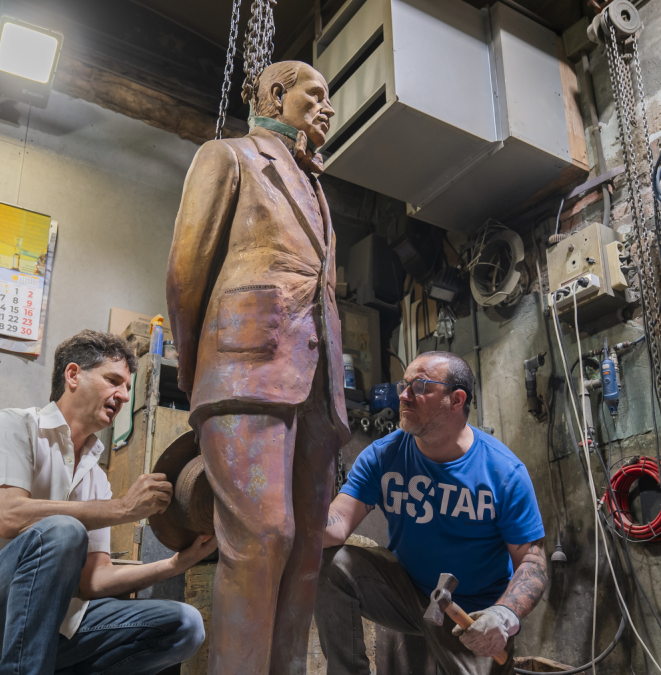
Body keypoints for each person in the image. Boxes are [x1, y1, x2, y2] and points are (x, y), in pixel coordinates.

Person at [166, 61, 350, 674]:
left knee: (305, 549)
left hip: (317, 389)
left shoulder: (319, 188)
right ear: (276, 93)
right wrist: (197, 374)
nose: (328, 107)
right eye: (315, 94)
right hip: (244, 371)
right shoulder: (229, 157)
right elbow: (186, 273)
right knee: (263, 536)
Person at [0, 330, 216, 675]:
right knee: (63, 530)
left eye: (128, 387)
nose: (124, 396)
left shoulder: (96, 476)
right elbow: (9, 516)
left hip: (43, 634)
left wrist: (175, 564)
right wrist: (124, 509)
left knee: (184, 625)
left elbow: (92, 582)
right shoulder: (14, 427)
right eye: (114, 381)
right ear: (72, 375)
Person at [315, 351, 547, 675]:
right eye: (404, 385)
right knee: (331, 563)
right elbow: (337, 524)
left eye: (420, 386)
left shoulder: (503, 472)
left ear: (456, 399)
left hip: (471, 613)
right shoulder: (383, 456)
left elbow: (533, 562)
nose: (404, 396)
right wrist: (293, 513)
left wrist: (504, 616)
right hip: (406, 594)